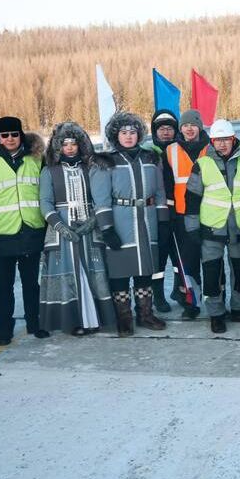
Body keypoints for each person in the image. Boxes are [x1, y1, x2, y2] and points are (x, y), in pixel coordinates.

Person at [0, 116, 47, 346]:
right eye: (5, 135)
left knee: (32, 283)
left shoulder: (36, 160)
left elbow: (46, 194)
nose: (10, 139)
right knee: (4, 285)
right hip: (2, 234)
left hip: (31, 230)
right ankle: (5, 327)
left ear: (21, 136)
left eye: (14, 134)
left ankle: (34, 322)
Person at [37, 122, 116, 335]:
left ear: (81, 145)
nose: (70, 148)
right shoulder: (49, 171)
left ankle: (94, 319)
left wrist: (93, 221)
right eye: (65, 144)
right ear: (57, 147)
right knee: (69, 273)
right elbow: (45, 202)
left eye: (74, 143)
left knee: (92, 271)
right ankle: (72, 321)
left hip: (89, 228)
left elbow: (100, 196)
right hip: (62, 229)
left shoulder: (91, 167)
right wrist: (60, 226)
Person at [185, 119, 240, 333]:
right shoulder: (202, 164)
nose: (222, 144)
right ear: (212, 141)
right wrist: (191, 228)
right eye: (217, 140)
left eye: (226, 140)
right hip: (212, 229)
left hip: (239, 227)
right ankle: (216, 313)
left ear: (233, 139)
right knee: (212, 274)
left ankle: (239, 309)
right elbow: (191, 198)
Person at [95, 112, 168, 336]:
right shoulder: (105, 161)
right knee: (120, 272)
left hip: (147, 219)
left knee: (145, 270)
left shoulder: (150, 158)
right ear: (116, 135)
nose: (128, 137)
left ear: (139, 134)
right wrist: (106, 228)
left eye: (133, 132)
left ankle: (145, 313)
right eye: (124, 132)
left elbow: (159, 191)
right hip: (121, 219)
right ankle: (124, 317)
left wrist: (163, 219)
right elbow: (101, 197)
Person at [162, 110, 209, 319]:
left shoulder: (210, 148)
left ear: (199, 126)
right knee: (187, 263)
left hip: (209, 212)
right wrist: (171, 212)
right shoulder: (170, 151)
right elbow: (167, 184)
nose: (189, 129)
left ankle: (217, 301)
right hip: (182, 215)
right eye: (185, 125)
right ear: (180, 128)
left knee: (211, 260)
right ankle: (192, 303)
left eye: (193, 124)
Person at [146, 109, 179, 312]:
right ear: (155, 132)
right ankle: (158, 295)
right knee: (159, 258)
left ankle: (179, 290)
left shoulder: (180, 151)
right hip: (157, 213)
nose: (166, 132)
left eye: (169, 128)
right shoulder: (148, 153)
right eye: (162, 129)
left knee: (179, 257)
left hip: (179, 211)